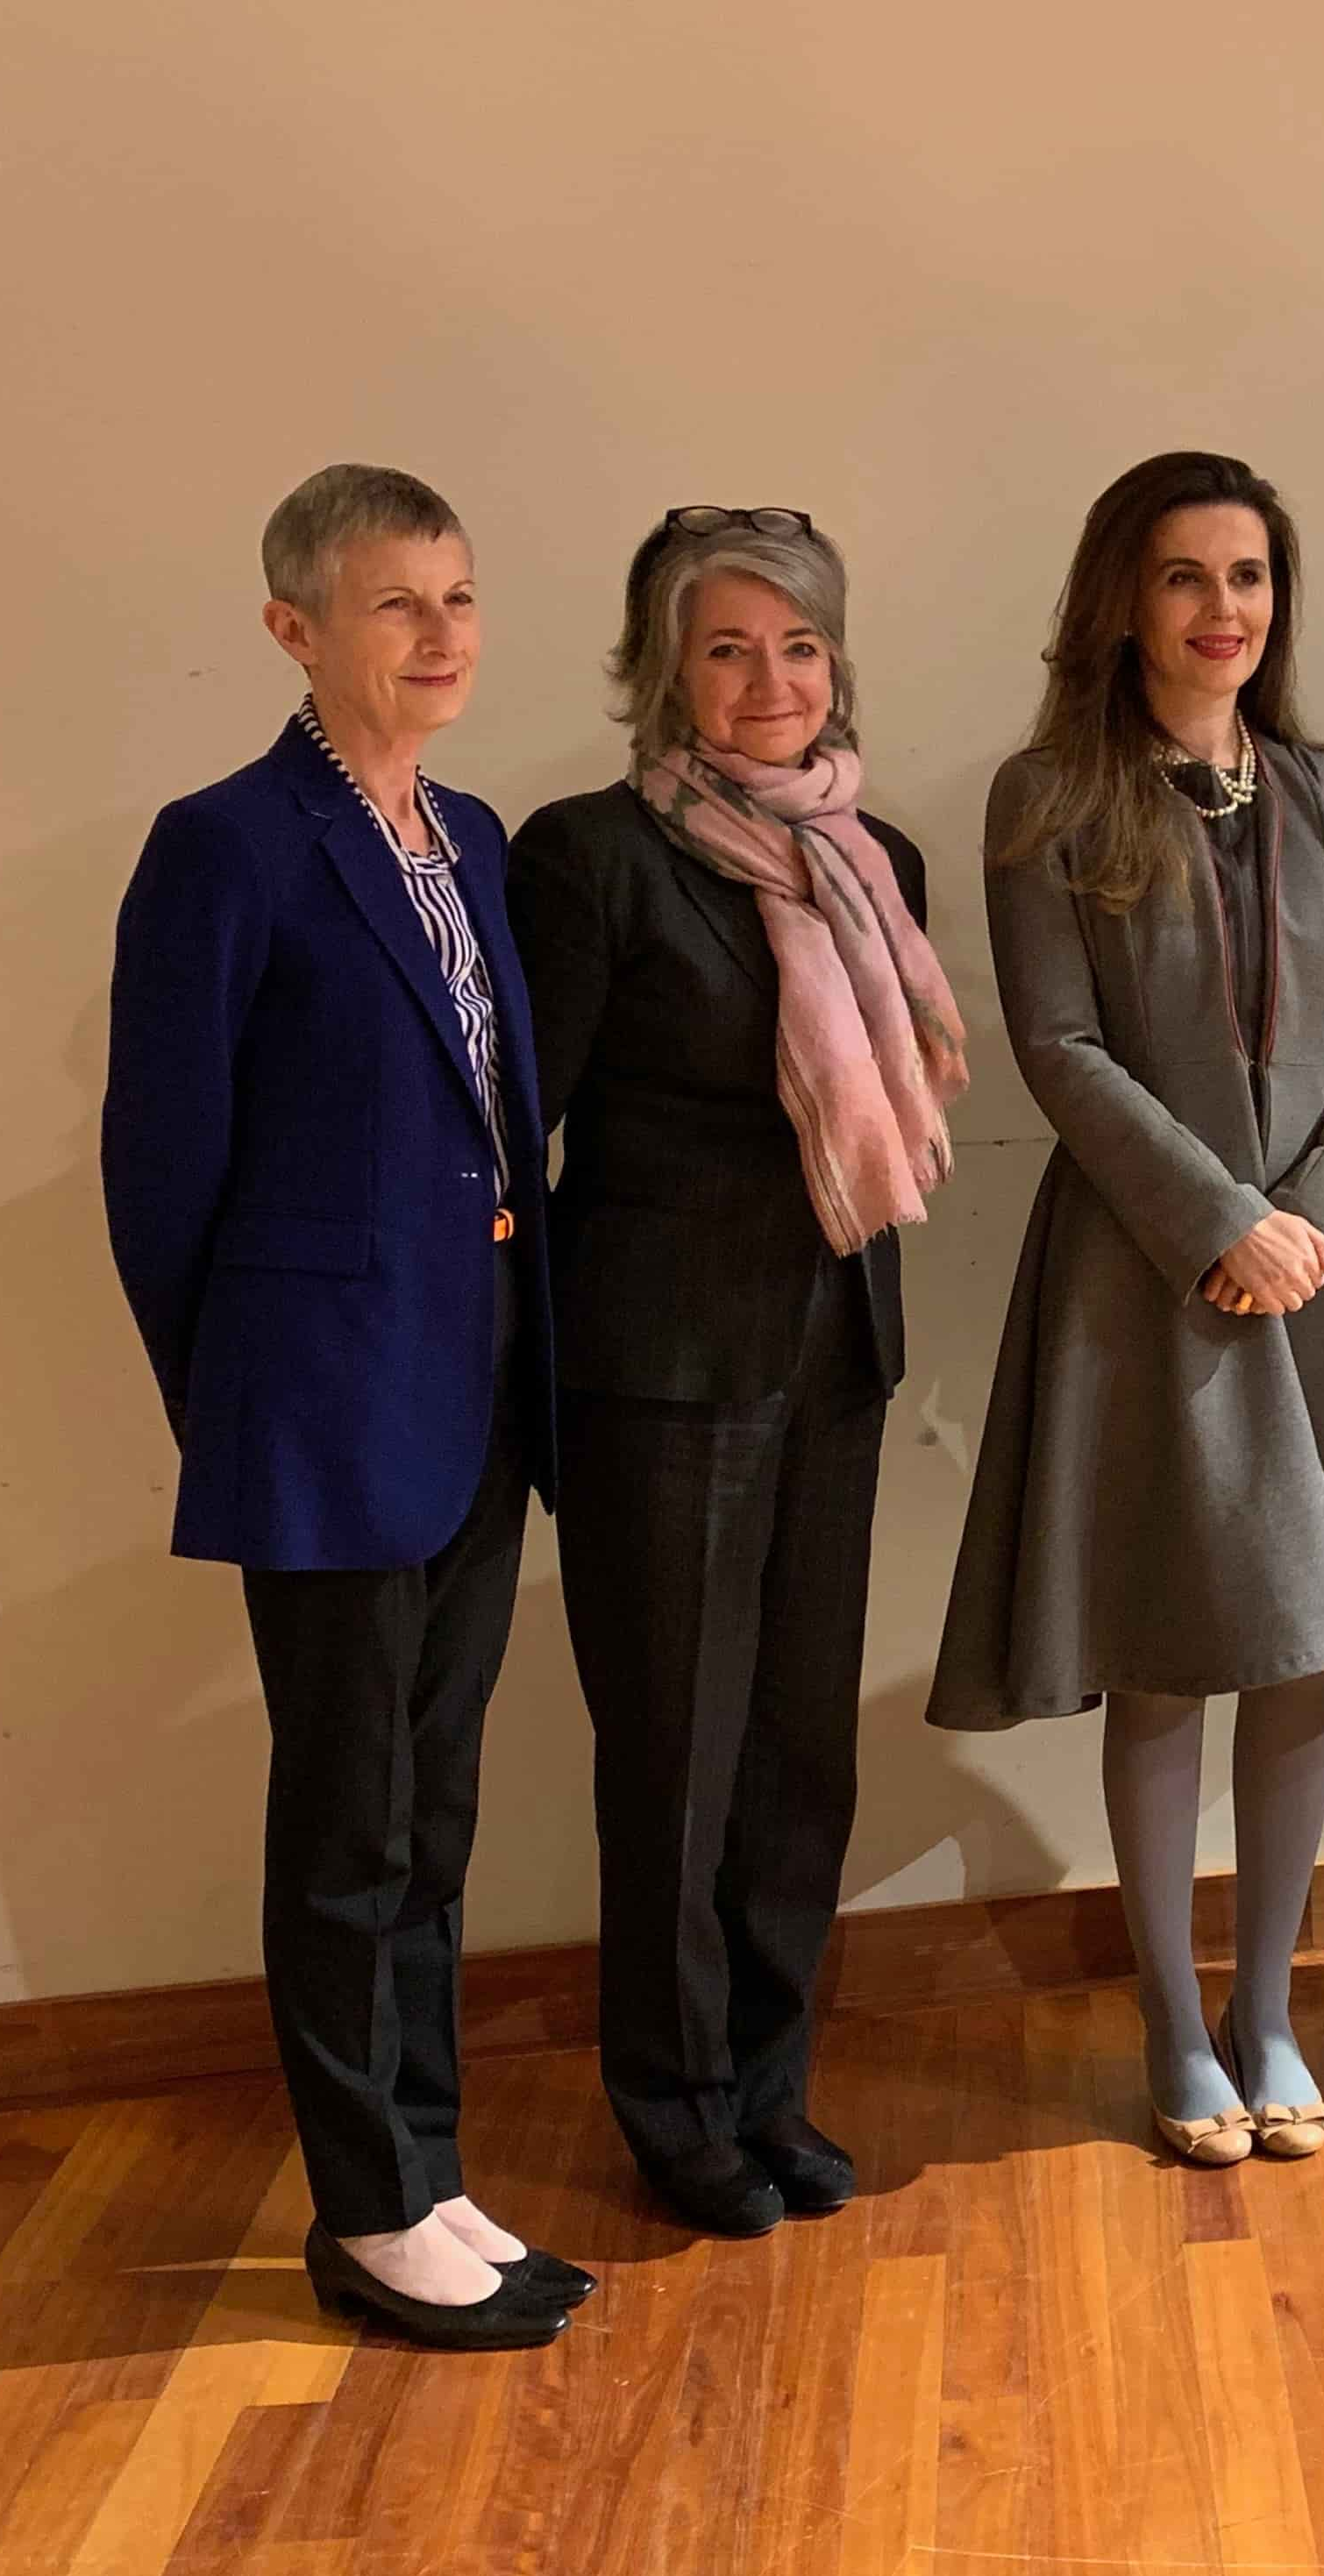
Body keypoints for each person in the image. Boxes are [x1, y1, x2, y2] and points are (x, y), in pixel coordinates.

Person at [929, 451, 1324, 2165]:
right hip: (1153, 1281)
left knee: (1306, 1657)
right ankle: (1174, 2022)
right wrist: (1222, 1220)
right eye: (1185, 577)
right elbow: (1059, 1047)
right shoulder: (1047, 798)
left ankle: (1271, 2013)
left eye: (1248, 577)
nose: (1222, 609)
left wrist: (1315, 1219)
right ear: (1121, 599)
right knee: (1176, 1654)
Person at [100, 464, 582, 2348]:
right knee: (350, 1820)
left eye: (460, 596)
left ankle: (432, 2171)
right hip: (322, 1411)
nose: (443, 634)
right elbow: (164, 1178)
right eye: (398, 605)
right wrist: (241, 1406)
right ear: (296, 627)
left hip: (475, 1395)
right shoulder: (225, 847)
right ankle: (364, 2205)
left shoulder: (468, 832)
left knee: (435, 1813)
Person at [510, 508, 968, 2234]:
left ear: (836, 660)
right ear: (662, 673)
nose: (769, 679)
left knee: (798, 1760)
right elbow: (521, 1137)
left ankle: (772, 2087)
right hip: (663, 1368)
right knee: (678, 1756)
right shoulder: (593, 858)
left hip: (835, 1349)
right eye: (726, 647)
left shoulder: (878, 859)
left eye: (798, 644)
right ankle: (676, 2100)